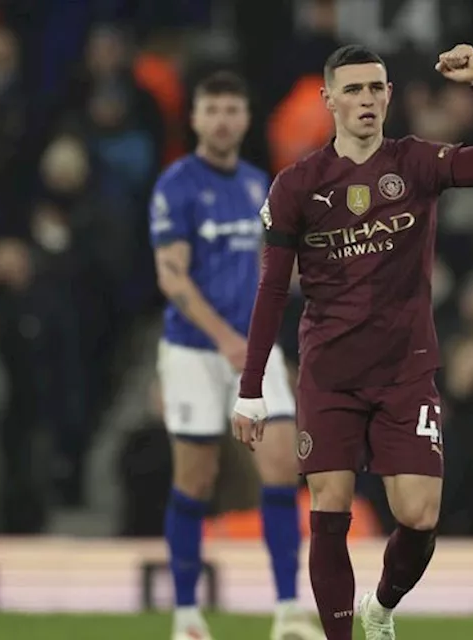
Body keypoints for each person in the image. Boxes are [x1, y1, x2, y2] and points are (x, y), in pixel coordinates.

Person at [231, 44, 473, 640]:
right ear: (329, 99)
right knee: (329, 510)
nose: (366, 100)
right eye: (354, 89)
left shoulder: (415, 163)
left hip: (405, 371)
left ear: (389, 95)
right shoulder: (298, 186)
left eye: (376, 88)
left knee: (418, 517)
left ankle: (381, 607)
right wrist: (251, 387)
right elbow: (271, 291)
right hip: (330, 372)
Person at [148, 71, 321, 640]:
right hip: (196, 350)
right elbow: (171, 277)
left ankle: (289, 610)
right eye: (212, 109)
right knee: (195, 479)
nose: (222, 119)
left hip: (255, 348)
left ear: (245, 119)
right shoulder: (176, 185)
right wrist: (225, 338)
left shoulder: (259, 187)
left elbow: (278, 271)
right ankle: (187, 616)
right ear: (195, 118)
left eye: (232, 109)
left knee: (281, 465)